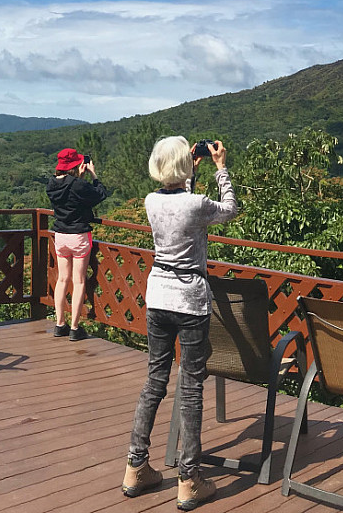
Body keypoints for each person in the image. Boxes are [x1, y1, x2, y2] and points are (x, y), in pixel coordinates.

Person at [122, 136, 238, 510]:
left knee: (154, 379)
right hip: (190, 301)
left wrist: (188, 172)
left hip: (157, 296)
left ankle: (135, 466)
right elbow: (230, 209)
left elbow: (178, 204)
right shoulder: (198, 205)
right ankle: (189, 479)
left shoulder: (150, 201)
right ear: (183, 167)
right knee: (190, 387)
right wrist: (220, 168)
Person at [46, 147, 109, 341]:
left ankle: (59, 324)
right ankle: (74, 327)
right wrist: (93, 174)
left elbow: (69, 194)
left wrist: (78, 178)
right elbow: (99, 194)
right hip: (79, 236)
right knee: (79, 281)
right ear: (76, 165)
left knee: (62, 279)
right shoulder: (78, 185)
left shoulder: (50, 184)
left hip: (60, 235)